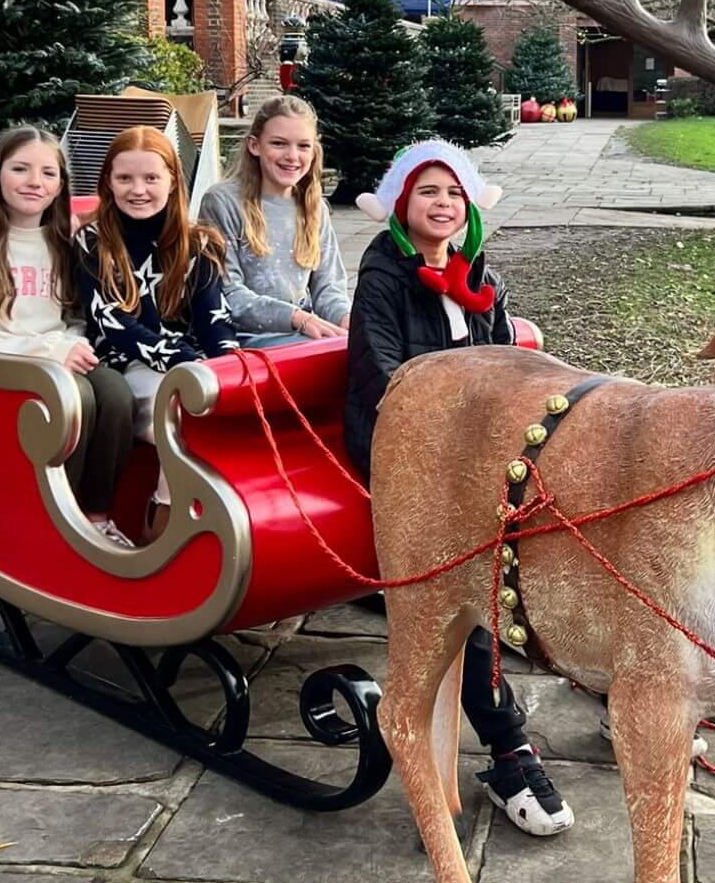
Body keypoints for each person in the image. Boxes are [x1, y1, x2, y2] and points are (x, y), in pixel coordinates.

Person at [345, 140, 574, 838]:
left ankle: (607, 674)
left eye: (453, 193)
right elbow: (379, 377)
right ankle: (507, 749)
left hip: (474, 454)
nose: (442, 205)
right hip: (405, 450)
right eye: (427, 193)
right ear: (401, 207)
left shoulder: (483, 281)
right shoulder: (384, 276)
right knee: (470, 589)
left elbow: (511, 371)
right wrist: (454, 446)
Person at [0, 125, 136, 548]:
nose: (34, 182)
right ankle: (54, 522)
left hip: (60, 355)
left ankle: (96, 516)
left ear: (61, 184)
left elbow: (76, 315)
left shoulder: (65, 241)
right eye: (21, 169)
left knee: (116, 393)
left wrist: (72, 343)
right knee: (75, 398)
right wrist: (49, 350)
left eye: (48, 173)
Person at [73, 124, 237, 527]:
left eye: (151, 178)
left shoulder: (199, 243)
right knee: (179, 412)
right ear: (108, 183)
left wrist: (229, 371)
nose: (138, 189)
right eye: (125, 178)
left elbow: (215, 320)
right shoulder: (92, 242)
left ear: (172, 181)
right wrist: (184, 363)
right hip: (124, 364)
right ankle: (165, 520)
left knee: (222, 410)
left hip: (187, 366)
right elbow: (113, 323)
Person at [200, 95, 350, 347]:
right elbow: (228, 293)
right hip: (246, 341)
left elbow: (329, 287)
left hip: (305, 335)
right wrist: (296, 318)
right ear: (254, 146)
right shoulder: (222, 202)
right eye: (279, 143)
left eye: (303, 146)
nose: (292, 156)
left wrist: (348, 320)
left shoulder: (315, 207)